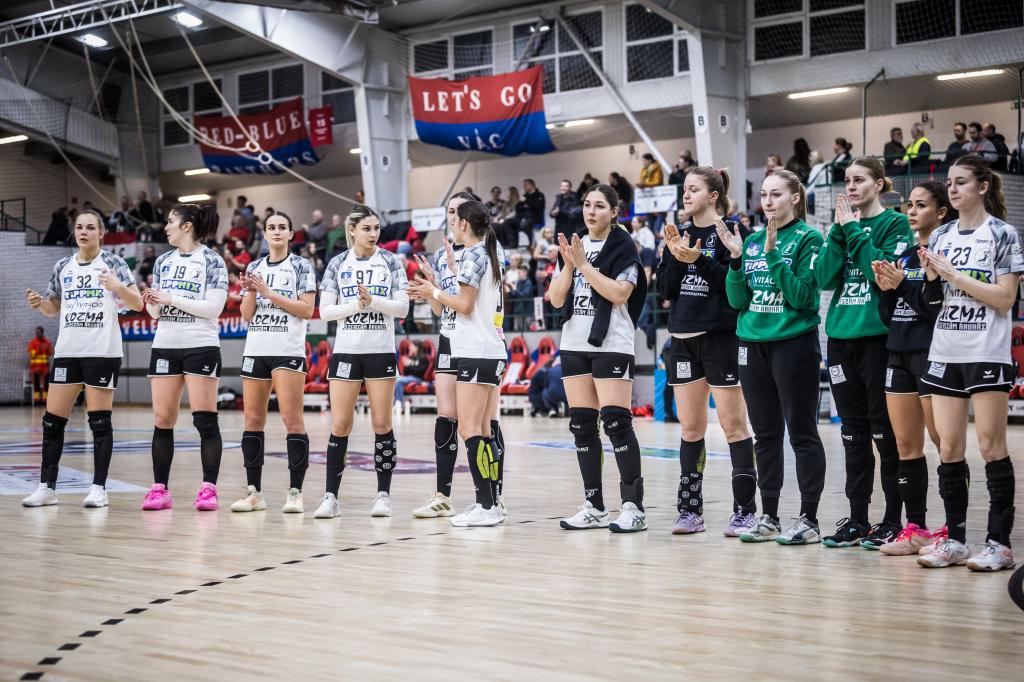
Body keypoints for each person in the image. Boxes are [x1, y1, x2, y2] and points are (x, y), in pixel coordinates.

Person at [916, 155, 1022, 571]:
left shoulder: (1002, 234)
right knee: (949, 449)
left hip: (986, 350)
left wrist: (955, 275)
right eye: (949, 183)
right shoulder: (940, 235)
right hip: (946, 350)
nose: (953, 189)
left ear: (982, 186)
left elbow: (1005, 299)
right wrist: (930, 279)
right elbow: (932, 303)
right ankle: (956, 540)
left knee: (991, 446)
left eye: (961, 182)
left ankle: (999, 544)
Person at [720, 169, 828, 545]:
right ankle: (769, 517)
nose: (768, 201)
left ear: (795, 198)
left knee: (801, 431)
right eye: (764, 194)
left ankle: (809, 519)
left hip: (793, 344)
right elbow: (737, 300)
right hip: (752, 344)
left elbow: (803, 298)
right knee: (765, 434)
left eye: (776, 194)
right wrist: (737, 260)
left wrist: (773, 255)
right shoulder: (750, 241)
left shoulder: (809, 238)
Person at [814, 157, 914, 549]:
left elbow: (879, 271)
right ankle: (857, 519)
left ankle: (892, 519)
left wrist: (853, 230)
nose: (851, 186)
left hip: (877, 339)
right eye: (847, 180)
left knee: (883, 431)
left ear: (879, 184)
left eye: (859, 180)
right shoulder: (841, 226)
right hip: (841, 338)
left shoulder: (896, 223)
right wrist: (840, 233)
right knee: (852, 433)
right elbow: (823, 278)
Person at [656, 167, 756, 537]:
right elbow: (665, 291)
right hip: (682, 340)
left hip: (720, 339)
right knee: (690, 428)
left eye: (694, 189)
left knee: (733, 426)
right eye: (684, 189)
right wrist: (673, 255)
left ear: (713, 195)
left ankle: (745, 511)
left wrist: (696, 259)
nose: (686, 195)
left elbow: (734, 288)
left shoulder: (732, 231)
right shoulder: (678, 233)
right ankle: (689, 510)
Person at [21, 210, 143, 508]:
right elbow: (53, 308)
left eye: (90, 227)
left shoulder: (114, 263)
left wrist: (117, 287)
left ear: (101, 233)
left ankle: (99, 489)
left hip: (102, 351)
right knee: (52, 422)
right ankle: (46, 488)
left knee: (99, 422)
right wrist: (40, 304)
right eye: (79, 227)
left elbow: (138, 303)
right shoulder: (63, 265)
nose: (84, 232)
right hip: (68, 352)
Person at [549, 184, 649, 533]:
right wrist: (569, 265)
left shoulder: (623, 245)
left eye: (600, 206)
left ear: (614, 212)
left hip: (612, 344)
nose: (591, 211)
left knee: (617, 423)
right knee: (582, 425)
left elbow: (620, 294)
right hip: (573, 342)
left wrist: (583, 266)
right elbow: (556, 299)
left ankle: (633, 507)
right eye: (587, 204)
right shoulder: (574, 243)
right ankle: (594, 506)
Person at [408, 200, 508, 527]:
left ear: (464, 223)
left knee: (469, 429)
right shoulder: (485, 253)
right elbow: (474, 300)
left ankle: (486, 505)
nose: (452, 223)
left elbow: (464, 305)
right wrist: (446, 277)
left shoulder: (477, 254)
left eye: (455, 219)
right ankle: (490, 502)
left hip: (477, 350)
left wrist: (433, 292)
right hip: (486, 350)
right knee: (481, 430)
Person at [871, 181, 955, 555]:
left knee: (944, 443)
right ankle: (915, 528)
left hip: (932, 353)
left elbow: (935, 311)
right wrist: (885, 289)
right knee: (906, 445)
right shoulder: (904, 256)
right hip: (898, 352)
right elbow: (890, 315)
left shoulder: (944, 255)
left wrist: (903, 286)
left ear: (941, 212)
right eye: (910, 205)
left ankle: (954, 527)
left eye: (921, 205)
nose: (912, 211)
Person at [314, 205, 409, 519]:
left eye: (376, 228)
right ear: (352, 230)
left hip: (380, 351)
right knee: (340, 425)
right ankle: (331, 497)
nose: (373, 234)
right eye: (366, 228)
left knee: (382, 424)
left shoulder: (391, 261)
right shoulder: (337, 263)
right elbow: (325, 312)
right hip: (346, 351)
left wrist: (373, 301)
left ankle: (383, 495)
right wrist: (357, 305)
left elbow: (403, 309)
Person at [139, 205, 228, 512]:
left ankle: (208, 490)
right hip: (165, 344)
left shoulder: (212, 260)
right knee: (162, 420)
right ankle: (159, 490)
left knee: (204, 419)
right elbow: (156, 312)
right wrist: (152, 302)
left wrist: (172, 298)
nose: (166, 227)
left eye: (171, 222)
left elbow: (213, 308)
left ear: (187, 226)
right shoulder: (163, 261)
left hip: (200, 345)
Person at [230, 211, 317, 514]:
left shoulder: (301, 266)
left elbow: (306, 310)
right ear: (264, 234)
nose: (277, 231)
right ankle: (254, 492)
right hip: (256, 349)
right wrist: (252, 291)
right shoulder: (254, 267)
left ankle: (296, 492)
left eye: (282, 227)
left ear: (291, 234)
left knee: (292, 420)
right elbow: (246, 314)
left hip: (287, 350)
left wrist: (269, 292)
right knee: (252, 421)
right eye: (271, 227)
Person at [409, 192, 473, 518]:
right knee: (446, 416)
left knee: (481, 422)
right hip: (448, 338)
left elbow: (472, 301)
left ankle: (492, 496)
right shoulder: (439, 254)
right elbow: (439, 308)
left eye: (459, 210)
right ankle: (442, 496)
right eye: (450, 210)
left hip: (477, 339)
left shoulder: (484, 250)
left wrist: (438, 287)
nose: (454, 216)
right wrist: (432, 286)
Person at [393, 342, 429, 411]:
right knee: (395, 379)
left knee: (399, 381)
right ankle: (395, 403)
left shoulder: (424, 358)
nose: (410, 348)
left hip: (418, 378)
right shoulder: (411, 357)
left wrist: (410, 364)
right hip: (410, 377)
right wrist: (407, 365)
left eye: (412, 346)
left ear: (417, 347)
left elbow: (420, 372)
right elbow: (406, 372)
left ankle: (399, 404)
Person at [28, 326, 53, 402]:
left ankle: (45, 399)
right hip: (35, 367)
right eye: (36, 332)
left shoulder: (47, 342)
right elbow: (31, 353)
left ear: (42, 332)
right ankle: (37, 399)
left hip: (45, 367)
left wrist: (48, 349)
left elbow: (50, 353)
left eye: (38, 332)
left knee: (46, 383)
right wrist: (37, 350)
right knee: (36, 383)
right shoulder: (33, 342)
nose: (37, 334)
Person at [518, 178, 546, 246]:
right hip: (525, 217)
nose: (524, 187)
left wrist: (526, 201)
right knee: (509, 223)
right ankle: (513, 245)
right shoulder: (525, 196)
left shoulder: (539, 195)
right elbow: (518, 208)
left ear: (531, 185)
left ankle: (532, 242)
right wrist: (525, 206)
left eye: (525, 185)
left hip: (536, 218)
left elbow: (537, 207)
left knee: (524, 225)